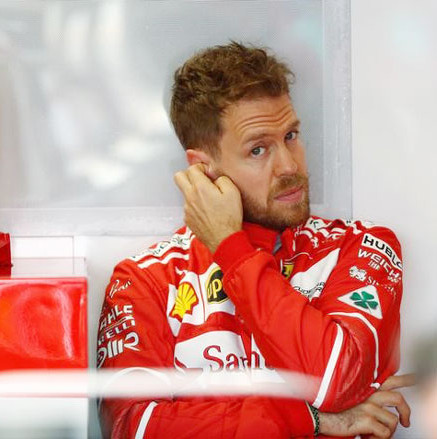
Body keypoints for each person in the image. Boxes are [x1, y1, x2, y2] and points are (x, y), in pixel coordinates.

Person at [97, 42, 410, 438]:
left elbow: (334, 378)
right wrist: (311, 420)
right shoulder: (145, 281)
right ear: (203, 170)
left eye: (292, 135)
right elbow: (133, 429)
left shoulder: (361, 246)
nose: (289, 165)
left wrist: (231, 250)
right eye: (258, 149)